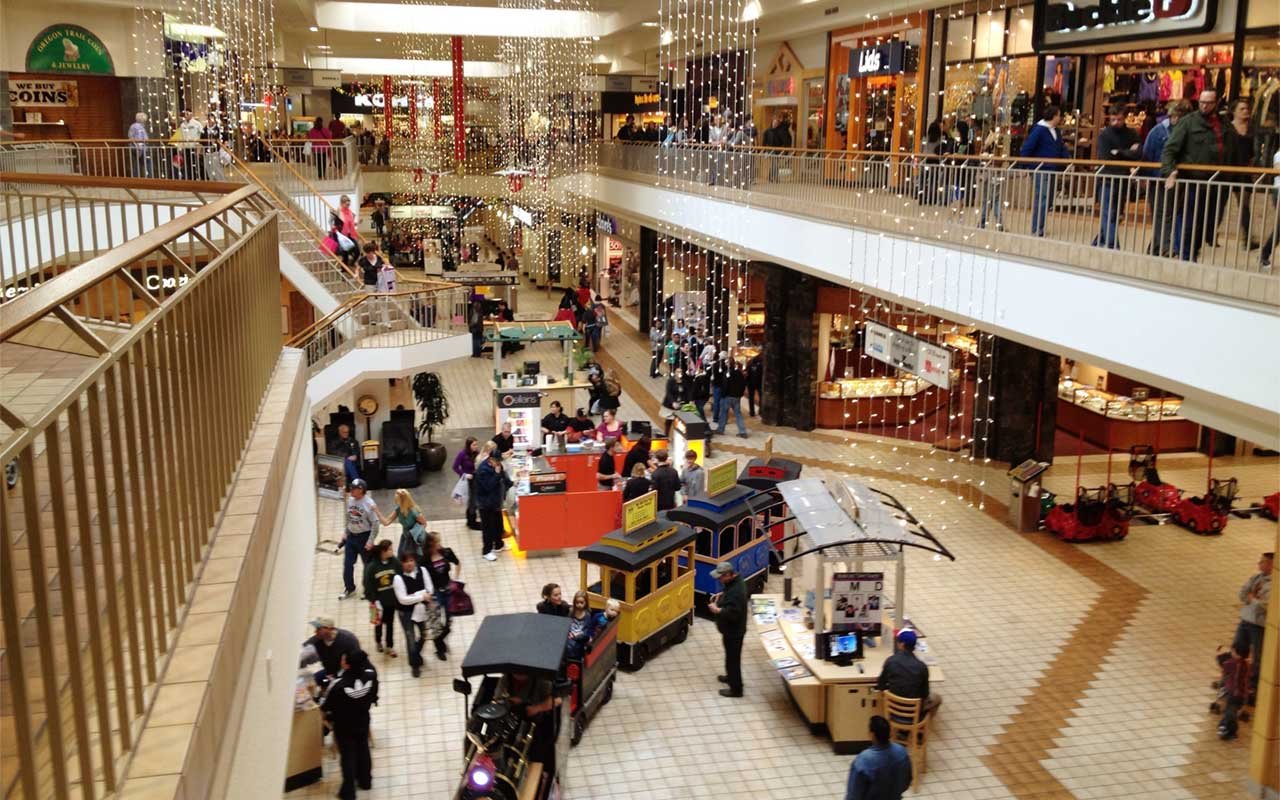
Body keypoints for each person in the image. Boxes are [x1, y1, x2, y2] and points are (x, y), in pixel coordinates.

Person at [1162, 89, 1224, 261]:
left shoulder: (1222, 124)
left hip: (1214, 183)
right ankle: (1186, 256)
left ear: (1215, 103)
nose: (1204, 105)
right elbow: (1170, 149)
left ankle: (1191, 253)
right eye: (1201, 102)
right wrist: (1170, 171)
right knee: (1189, 222)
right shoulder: (1188, 122)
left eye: (1208, 102)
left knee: (1206, 223)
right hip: (1193, 181)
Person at [320, 648, 378, 800]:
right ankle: (366, 781)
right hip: (363, 719)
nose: (341, 661)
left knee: (348, 756)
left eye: (343, 660)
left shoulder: (338, 684)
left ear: (347, 665)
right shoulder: (371, 676)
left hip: (344, 725)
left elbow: (326, 706)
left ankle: (349, 791)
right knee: (363, 749)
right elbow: (374, 695)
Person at [1141, 100, 1187, 256]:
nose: (1177, 120)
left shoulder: (1183, 132)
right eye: (1175, 116)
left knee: (1169, 214)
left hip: (1176, 179)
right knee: (1162, 214)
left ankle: (1155, 248)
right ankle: (1166, 247)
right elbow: (1147, 154)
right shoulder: (1158, 132)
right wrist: (1146, 177)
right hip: (1158, 179)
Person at [1094, 104, 1141, 249]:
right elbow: (1105, 157)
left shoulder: (1131, 133)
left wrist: (1119, 152)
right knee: (1109, 212)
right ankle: (1112, 243)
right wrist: (1127, 153)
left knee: (1116, 213)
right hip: (1108, 178)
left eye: (1119, 119)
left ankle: (1101, 241)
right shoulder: (1105, 135)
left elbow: (1138, 153)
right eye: (1113, 119)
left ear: (1124, 118)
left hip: (1122, 178)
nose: (1116, 123)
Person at [1019, 105, 1070, 237]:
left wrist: (1068, 160)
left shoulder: (1056, 131)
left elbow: (1060, 147)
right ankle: (1037, 228)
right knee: (1042, 197)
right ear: (1054, 116)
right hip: (1040, 169)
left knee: (1048, 198)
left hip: (1051, 168)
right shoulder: (1039, 130)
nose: (1060, 118)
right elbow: (1027, 148)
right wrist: (1023, 166)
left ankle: (1039, 226)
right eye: (1059, 115)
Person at [1219, 98, 1258, 249]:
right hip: (1228, 170)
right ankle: (1209, 234)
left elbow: (1255, 151)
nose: (1245, 111)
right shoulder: (1227, 129)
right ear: (1234, 111)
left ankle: (1247, 239)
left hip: (1245, 171)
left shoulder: (1252, 129)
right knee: (1220, 204)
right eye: (1242, 109)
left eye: (1247, 108)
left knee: (1244, 205)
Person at [844, 716, 913, 800]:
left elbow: (853, 796)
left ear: (872, 735)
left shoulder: (863, 761)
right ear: (889, 733)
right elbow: (906, 782)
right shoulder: (901, 752)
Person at [876, 630, 941, 719]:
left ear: (902, 644)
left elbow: (881, 684)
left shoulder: (891, 661)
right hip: (914, 711)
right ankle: (921, 726)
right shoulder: (922, 667)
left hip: (893, 707)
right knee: (937, 698)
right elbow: (925, 693)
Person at [706, 561, 747, 698]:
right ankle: (730, 677)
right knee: (730, 657)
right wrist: (722, 595)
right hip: (731, 630)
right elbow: (729, 593)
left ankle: (736, 689)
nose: (719, 579)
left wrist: (717, 610)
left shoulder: (736, 591)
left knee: (733, 660)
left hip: (734, 631)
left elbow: (733, 613)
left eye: (721, 577)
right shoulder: (736, 583)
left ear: (729, 575)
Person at [392, 552, 436, 677]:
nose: (409, 563)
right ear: (402, 563)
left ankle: (415, 654)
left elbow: (430, 589)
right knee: (410, 639)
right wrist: (421, 596)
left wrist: (414, 596)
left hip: (421, 609)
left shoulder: (422, 571)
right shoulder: (398, 578)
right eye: (406, 561)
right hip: (406, 613)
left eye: (411, 560)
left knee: (424, 635)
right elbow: (403, 599)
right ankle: (415, 665)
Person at [1234, 551, 1272, 693]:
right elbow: (1242, 594)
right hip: (1246, 619)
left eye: (1262, 561)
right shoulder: (1256, 578)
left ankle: (1253, 686)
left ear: (1271, 564)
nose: (1259, 564)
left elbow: (1265, 606)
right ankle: (1235, 677)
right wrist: (1252, 599)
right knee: (1238, 649)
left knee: (1258, 656)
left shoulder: (1274, 585)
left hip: (1259, 625)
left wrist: (1252, 600)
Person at [421, 532, 459, 661]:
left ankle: (441, 639)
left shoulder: (446, 552)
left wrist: (455, 580)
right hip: (435, 593)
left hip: (448, 590)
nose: (439, 544)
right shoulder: (424, 560)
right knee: (436, 623)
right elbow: (422, 577)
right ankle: (440, 648)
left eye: (439, 541)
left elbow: (457, 563)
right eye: (437, 542)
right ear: (430, 544)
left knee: (449, 620)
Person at [339, 480, 380, 601]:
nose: (351, 490)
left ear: (361, 490)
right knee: (347, 564)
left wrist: (370, 541)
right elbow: (349, 517)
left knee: (367, 565)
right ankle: (349, 588)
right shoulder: (350, 500)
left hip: (364, 537)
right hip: (351, 537)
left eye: (353, 488)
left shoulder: (369, 504)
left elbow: (376, 524)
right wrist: (346, 532)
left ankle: (367, 590)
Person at [362, 539, 400, 658]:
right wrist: (374, 601)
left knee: (390, 624)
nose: (392, 551)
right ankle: (378, 641)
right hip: (376, 602)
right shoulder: (372, 566)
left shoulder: (395, 562)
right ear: (383, 552)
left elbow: (400, 577)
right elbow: (367, 585)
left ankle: (390, 646)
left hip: (390, 601)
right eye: (389, 549)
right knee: (377, 623)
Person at [474, 443, 512, 561]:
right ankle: (487, 550)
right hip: (485, 504)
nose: (499, 464)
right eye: (497, 461)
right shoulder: (483, 470)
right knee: (488, 528)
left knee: (497, 525)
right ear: (491, 459)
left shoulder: (498, 465)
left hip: (495, 502)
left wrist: (511, 483)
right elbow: (488, 486)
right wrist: (496, 474)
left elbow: (504, 478)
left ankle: (498, 544)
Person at [300, 617, 361, 685]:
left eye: (319, 629)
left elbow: (357, 661)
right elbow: (301, 653)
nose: (315, 631)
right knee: (310, 680)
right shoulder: (317, 640)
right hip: (329, 672)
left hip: (347, 674)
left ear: (329, 629)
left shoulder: (348, 640)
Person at [379, 488, 426, 561]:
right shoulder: (399, 509)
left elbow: (424, 524)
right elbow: (386, 522)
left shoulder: (414, 511)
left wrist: (415, 533)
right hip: (405, 536)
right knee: (401, 557)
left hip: (414, 538)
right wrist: (376, 512)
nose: (396, 502)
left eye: (397, 500)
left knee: (413, 558)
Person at [452, 436, 481, 529]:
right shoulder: (462, 454)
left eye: (476, 444)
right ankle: (471, 521)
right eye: (474, 444)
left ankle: (471, 520)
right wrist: (464, 474)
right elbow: (455, 467)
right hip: (467, 480)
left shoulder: (477, 453)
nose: (476, 446)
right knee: (472, 500)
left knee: (474, 499)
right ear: (469, 445)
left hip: (476, 479)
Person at [717, 359, 748, 438]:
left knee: (723, 413)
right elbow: (743, 384)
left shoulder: (727, 373)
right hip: (736, 397)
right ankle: (742, 431)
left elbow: (725, 385)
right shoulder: (739, 373)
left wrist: (723, 395)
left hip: (728, 396)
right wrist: (740, 394)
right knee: (738, 414)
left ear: (728, 364)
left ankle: (721, 429)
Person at [566, 590, 598, 659]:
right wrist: (569, 633)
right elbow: (567, 623)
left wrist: (578, 635)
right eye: (577, 603)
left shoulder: (587, 615)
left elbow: (586, 629)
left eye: (581, 603)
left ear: (585, 603)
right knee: (568, 644)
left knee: (579, 643)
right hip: (571, 634)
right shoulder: (571, 612)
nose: (579, 605)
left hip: (580, 635)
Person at [662, 368, 689, 437]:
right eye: (678, 371)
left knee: (679, 421)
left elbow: (686, 393)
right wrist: (673, 402)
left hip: (680, 404)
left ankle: (680, 436)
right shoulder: (671, 381)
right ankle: (666, 435)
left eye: (680, 371)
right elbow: (669, 393)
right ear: (675, 372)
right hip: (670, 404)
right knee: (669, 421)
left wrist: (684, 401)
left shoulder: (684, 382)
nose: (679, 373)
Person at [128, 112, 150, 178]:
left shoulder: (133, 126)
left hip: (135, 147)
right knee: (145, 164)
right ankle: (147, 178)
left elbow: (130, 136)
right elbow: (139, 138)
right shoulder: (139, 127)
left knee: (136, 164)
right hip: (139, 148)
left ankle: (136, 178)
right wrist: (140, 148)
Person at [745, 352, 763, 417]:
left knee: (751, 398)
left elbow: (747, 374)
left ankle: (752, 412)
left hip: (750, 383)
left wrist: (746, 382)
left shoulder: (749, 363)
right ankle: (761, 411)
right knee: (761, 397)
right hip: (759, 383)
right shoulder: (761, 364)